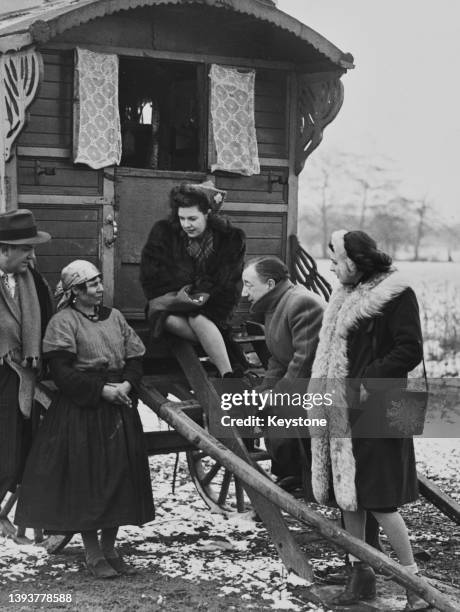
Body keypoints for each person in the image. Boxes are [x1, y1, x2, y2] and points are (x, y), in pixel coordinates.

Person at [309, 230, 426, 610]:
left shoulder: (396, 294)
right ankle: (360, 576)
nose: (331, 267)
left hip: (381, 405)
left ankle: (415, 588)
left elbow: (409, 349)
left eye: (336, 260)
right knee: (350, 497)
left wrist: (365, 381)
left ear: (355, 264)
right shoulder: (345, 293)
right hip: (344, 407)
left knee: (379, 500)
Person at [15, 260, 154, 579]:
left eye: (100, 282)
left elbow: (135, 358)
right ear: (76, 292)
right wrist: (101, 391)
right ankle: (92, 554)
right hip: (83, 412)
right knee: (89, 482)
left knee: (120, 478)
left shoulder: (116, 317)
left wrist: (126, 385)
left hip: (119, 406)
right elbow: (62, 373)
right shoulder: (64, 322)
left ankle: (110, 548)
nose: (100, 288)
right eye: (92, 284)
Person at [140, 181, 246, 377]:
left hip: (213, 303)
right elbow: (151, 277)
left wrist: (199, 296)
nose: (186, 224)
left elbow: (227, 282)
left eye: (192, 218)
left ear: (208, 214)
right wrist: (184, 295)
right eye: (181, 218)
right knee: (167, 319)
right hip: (171, 301)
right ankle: (219, 350)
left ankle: (227, 374)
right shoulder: (163, 232)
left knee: (198, 318)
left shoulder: (230, 239)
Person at [242, 256, 324, 490]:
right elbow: (278, 357)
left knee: (278, 412)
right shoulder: (276, 304)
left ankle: (300, 475)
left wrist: (276, 396)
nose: (243, 293)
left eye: (248, 284)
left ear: (269, 285)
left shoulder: (301, 303)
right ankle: (291, 472)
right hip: (303, 382)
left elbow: (304, 360)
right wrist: (266, 388)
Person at [0, 209, 53, 534]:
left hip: (25, 373)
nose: (32, 256)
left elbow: (45, 318)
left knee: (21, 445)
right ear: (4, 249)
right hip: (2, 372)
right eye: (26, 249)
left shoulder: (31, 279)